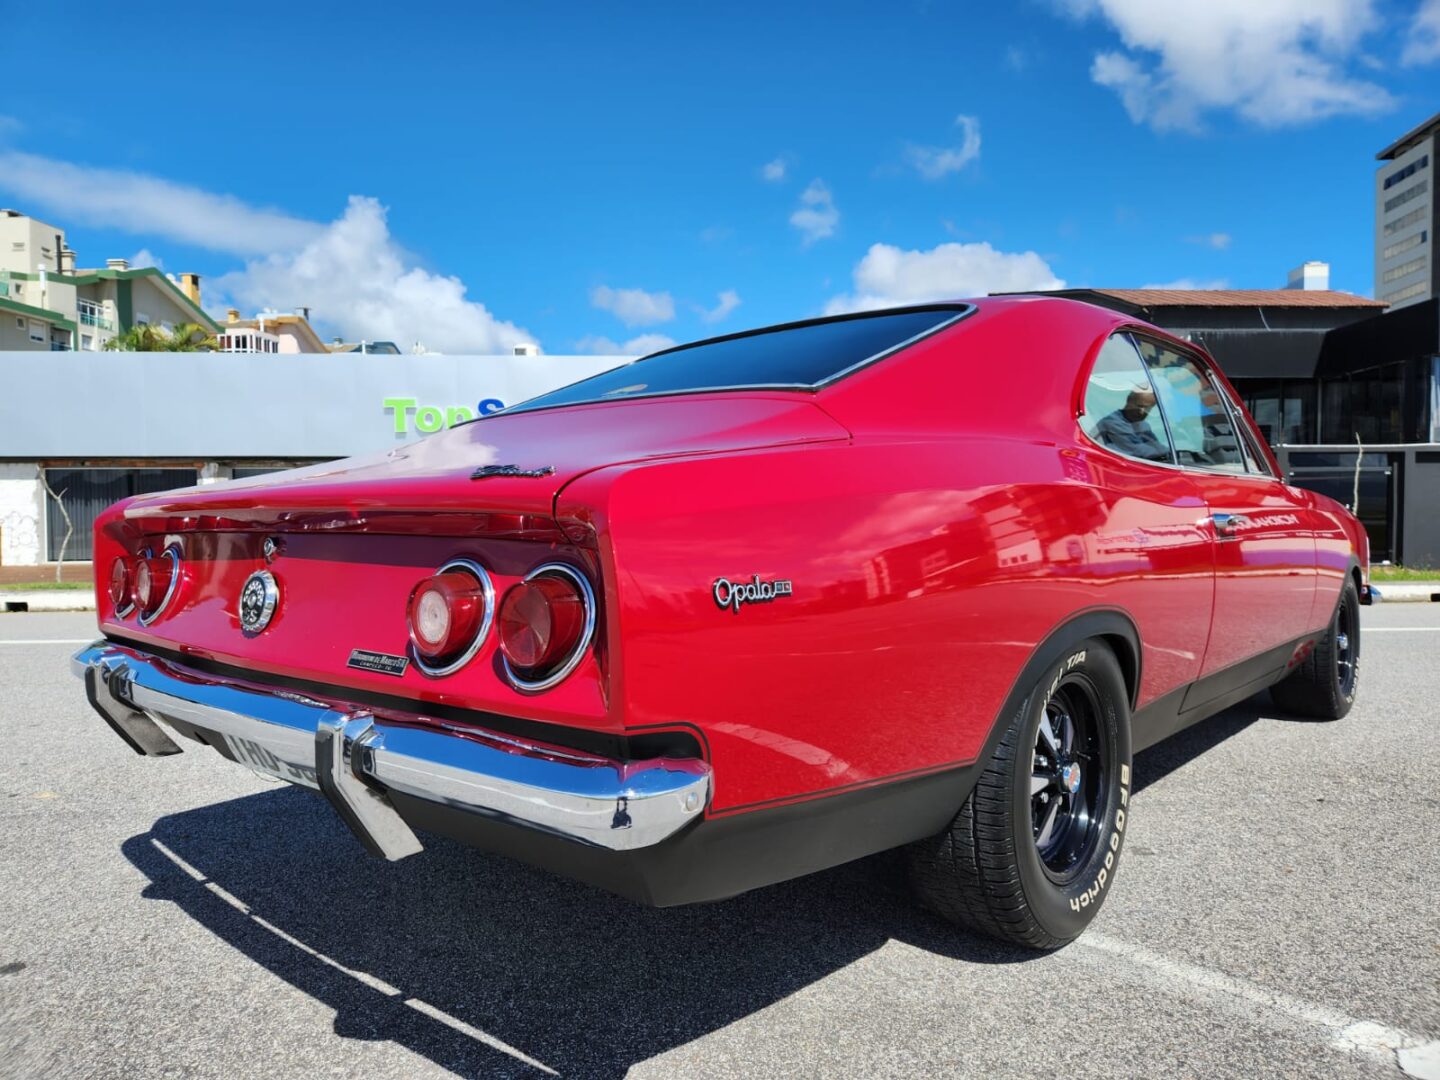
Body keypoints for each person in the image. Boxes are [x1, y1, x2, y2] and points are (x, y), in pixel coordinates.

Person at [1094, 387, 1169, 462]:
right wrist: (1166, 453)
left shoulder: (1143, 425)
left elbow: (1156, 445)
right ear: (1129, 400)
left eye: (1147, 408)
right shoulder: (1113, 422)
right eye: (1139, 406)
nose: (1141, 412)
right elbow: (1138, 450)